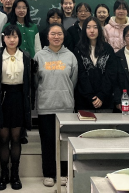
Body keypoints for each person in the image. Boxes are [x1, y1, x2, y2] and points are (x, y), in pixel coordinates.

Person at [0, 25, 35, 191]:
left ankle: (15, 174)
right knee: (4, 138)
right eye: (8, 36)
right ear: (3, 38)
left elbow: (31, 82)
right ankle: (3, 174)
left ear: (19, 38)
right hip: (2, 99)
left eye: (15, 36)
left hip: (19, 98)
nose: (12, 40)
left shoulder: (25, 56)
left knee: (16, 138)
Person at [35, 23, 78, 188]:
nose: (56, 37)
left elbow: (73, 80)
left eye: (59, 34)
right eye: (53, 34)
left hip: (65, 106)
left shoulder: (70, 56)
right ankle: (48, 174)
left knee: (64, 143)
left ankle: (63, 173)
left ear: (63, 36)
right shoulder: (39, 56)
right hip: (46, 105)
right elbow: (36, 81)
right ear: (47, 36)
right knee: (47, 142)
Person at [75, 17, 117, 113]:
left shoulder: (108, 49)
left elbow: (111, 74)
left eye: (95, 27)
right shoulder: (78, 49)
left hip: (105, 100)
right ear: (84, 30)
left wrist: (101, 95)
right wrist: (90, 97)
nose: (92, 30)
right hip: (84, 101)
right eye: (88, 27)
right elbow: (80, 75)